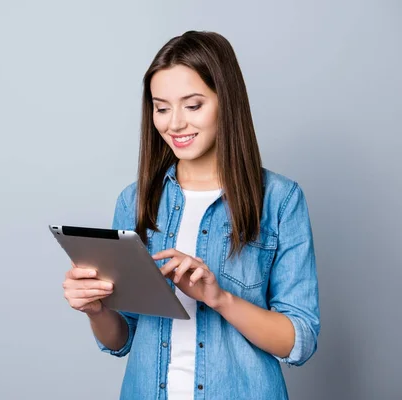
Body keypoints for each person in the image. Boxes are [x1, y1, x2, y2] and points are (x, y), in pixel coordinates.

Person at [62, 30, 320, 400]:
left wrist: (220, 298)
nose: (174, 124)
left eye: (193, 105)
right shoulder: (135, 200)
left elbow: (300, 340)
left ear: (225, 102)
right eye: (161, 107)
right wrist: (96, 309)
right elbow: (122, 339)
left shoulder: (280, 200)